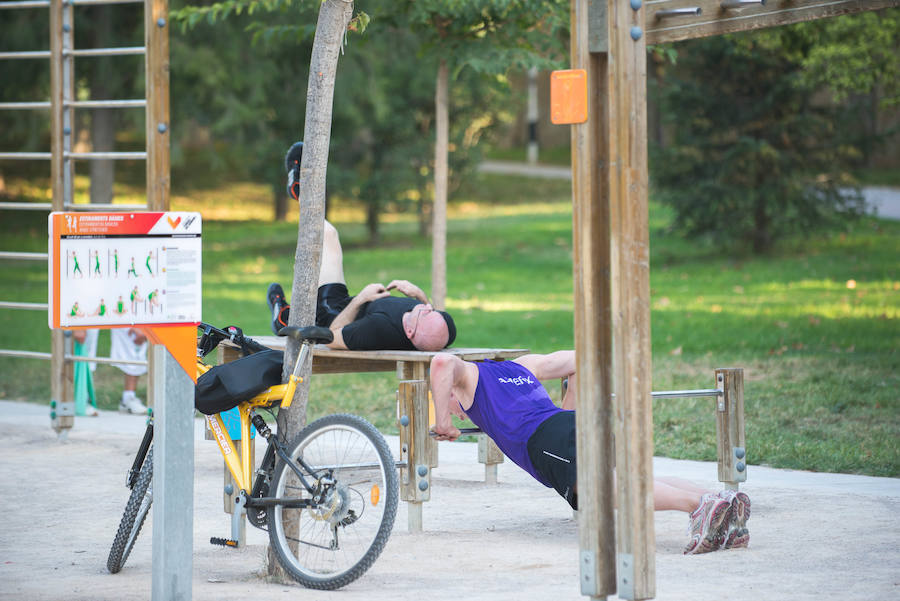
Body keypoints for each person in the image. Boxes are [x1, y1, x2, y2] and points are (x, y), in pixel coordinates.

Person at [429, 351, 751, 555]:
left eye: (450, 402)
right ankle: (722, 502)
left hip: (545, 439)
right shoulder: (522, 366)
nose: (460, 414)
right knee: (621, 479)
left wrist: (442, 422)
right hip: (572, 424)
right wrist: (571, 417)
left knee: (601, 492)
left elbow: (442, 362)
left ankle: (699, 506)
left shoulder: (468, 378)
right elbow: (583, 358)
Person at [266, 220, 456, 352]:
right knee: (328, 234)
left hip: (332, 313)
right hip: (348, 304)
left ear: (409, 332)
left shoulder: (376, 329)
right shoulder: (443, 329)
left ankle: (301, 187)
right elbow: (432, 319)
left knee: (325, 233)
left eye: (425, 312)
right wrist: (419, 294)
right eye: (431, 310)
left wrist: (362, 298)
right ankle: (284, 317)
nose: (428, 306)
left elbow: (330, 335)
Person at [110, 327, 149, 414]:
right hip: (126, 317)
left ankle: (128, 397)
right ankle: (128, 398)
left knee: (138, 353)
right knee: (132, 351)